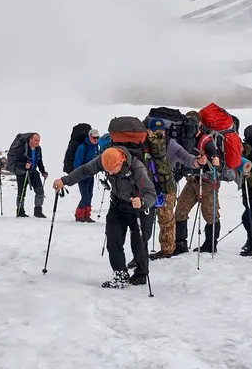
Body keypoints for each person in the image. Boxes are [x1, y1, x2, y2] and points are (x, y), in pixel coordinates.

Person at [54, 146, 156, 289]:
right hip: (118, 205)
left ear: (121, 162)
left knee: (138, 242)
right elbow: (85, 170)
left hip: (138, 208)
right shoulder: (104, 159)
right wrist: (65, 180)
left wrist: (143, 202)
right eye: (106, 170)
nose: (108, 173)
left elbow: (151, 194)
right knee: (113, 242)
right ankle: (120, 276)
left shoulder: (137, 168)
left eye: (112, 170)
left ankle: (141, 274)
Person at [147, 118, 204, 259]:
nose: (159, 134)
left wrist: (197, 162)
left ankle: (167, 250)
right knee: (146, 222)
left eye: (161, 132)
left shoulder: (171, 144)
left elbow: (186, 157)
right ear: (148, 131)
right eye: (156, 132)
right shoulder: (144, 144)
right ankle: (141, 252)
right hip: (148, 187)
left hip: (165, 187)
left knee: (165, 220)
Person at [173, 124, 229, 254]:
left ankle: (210, 245)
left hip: (208, 182)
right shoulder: (187, 138)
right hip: (193, 180)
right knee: (181, 209)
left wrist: (213, 161)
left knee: (210, 215)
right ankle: (180, 244)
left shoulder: (207, 141)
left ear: (198, 125)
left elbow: (217, 162)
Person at [11, 133, 48, 219]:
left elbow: (39, 161)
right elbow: (17, 162)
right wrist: (24, 165)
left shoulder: (38, 149)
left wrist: (43, 172)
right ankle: (20, 211)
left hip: (33, 172)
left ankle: (38, 211)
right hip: (22, 173)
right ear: (30, 139)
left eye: (38, 140)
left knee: (40, 192)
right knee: (21, 193)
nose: (37, 142)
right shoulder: (22, 148)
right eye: (35, 140)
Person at [71, 128, 101, 223]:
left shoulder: (96, 147)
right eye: (94, 137)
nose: (95, 139)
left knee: (90, 195)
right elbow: (77, 163)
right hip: (82, 175)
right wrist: (80, 174)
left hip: (90, 175)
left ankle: (87, 215)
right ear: (89, 136)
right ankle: (79, 215)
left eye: (97, 137)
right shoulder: (82, 147)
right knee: (85, 197)